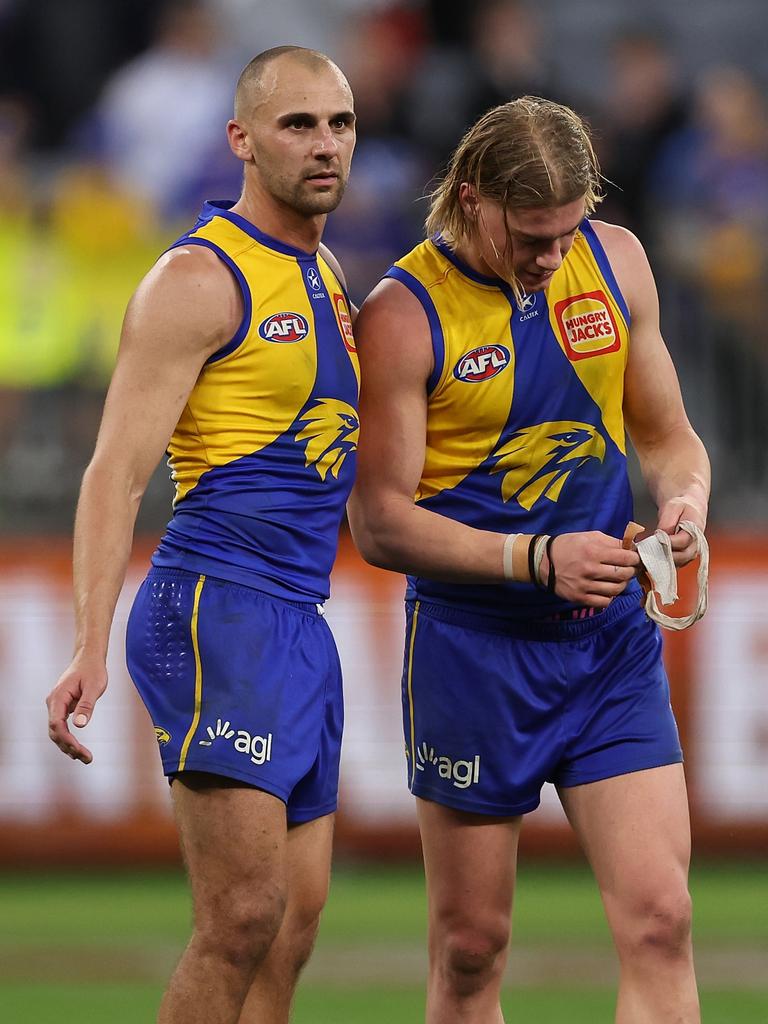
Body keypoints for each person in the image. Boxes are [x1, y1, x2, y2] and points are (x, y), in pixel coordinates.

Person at [348, 96, 708, 1024]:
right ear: (471, 198)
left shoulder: (616, 261)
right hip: (473, 652)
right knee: (471, 951)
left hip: (608, 647)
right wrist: (534, 558)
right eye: (531, 234)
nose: (552, 255)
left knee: (662, 919)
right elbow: (378, 522)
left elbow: (671, 440)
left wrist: (684, 506)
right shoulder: (401, 311)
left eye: (566, 231)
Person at [46, 45, 358, 1024]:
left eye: (340, 124)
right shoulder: (197, 277)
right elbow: (113, 473)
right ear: (241, 139)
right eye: (297, 124)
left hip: (299, 619)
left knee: (291, 925)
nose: (325, 146)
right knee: (241, 916)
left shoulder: (326, 269)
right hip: (217, 608)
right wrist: (90, 643)